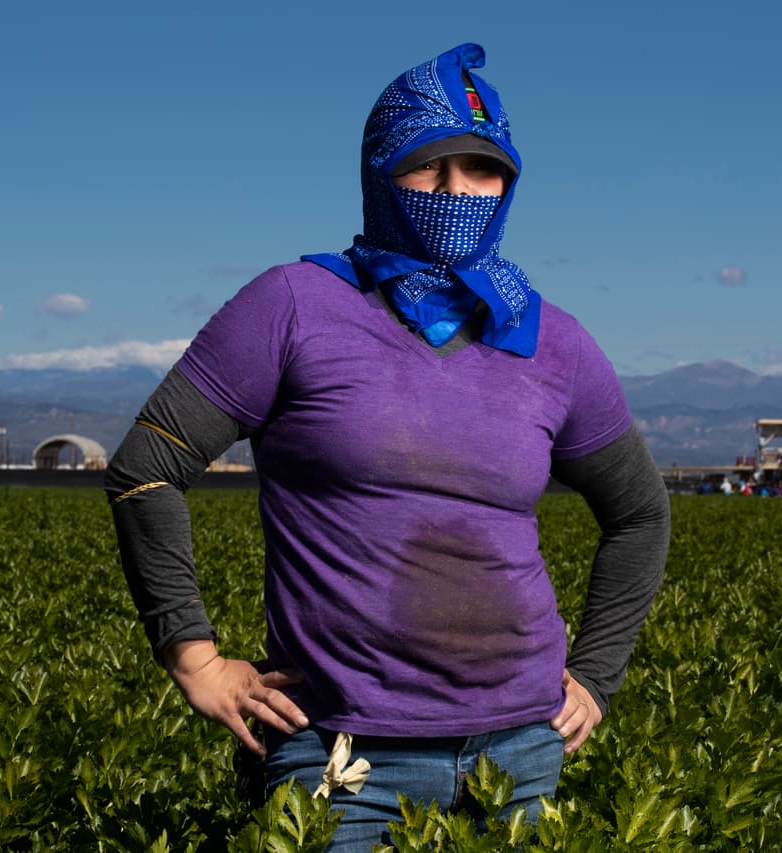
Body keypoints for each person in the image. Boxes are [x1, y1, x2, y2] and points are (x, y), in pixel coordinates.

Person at [103, 43, 670, 850]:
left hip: (519, 756)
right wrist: (195, 659)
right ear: (378, 172)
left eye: (481, 168)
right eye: (426, 166)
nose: (455, 191)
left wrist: (599, 674)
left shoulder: (551, 342)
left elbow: (641, 513)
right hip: (342, 762)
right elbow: (146, 468)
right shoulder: (295, 306)